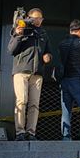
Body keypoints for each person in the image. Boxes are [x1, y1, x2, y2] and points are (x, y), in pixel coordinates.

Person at [8, 8, 52, 141]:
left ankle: (31, 132)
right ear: (29, 18)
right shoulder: (21, 28)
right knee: (21, 101)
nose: (38, 21)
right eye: (35, 18)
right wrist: (19, 34)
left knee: (34, 104)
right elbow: (11, 50)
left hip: (37, 73)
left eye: (40, 18)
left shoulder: (43, 33)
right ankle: (20, 132)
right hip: (21, 71)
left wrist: (48, 56)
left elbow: (48, 51)